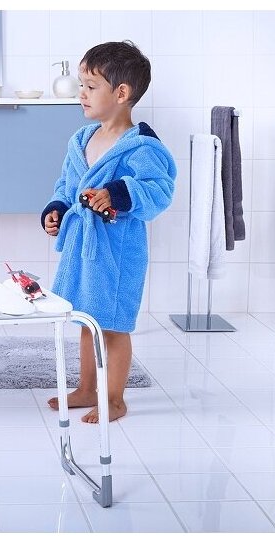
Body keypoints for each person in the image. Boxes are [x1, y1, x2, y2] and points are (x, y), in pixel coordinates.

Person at [41, 41, 176, 423]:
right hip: (83, 247)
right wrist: (56, 210)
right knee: (86, 318)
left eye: (90, 86)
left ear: (121, 93)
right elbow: (66, 186)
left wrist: (117, 193)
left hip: (117, 251)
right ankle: (87, 388)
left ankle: (114, 399)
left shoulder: (142, 146)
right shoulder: (82, 140)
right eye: (81, 85)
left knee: (113, 325)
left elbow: (159, 191)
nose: (81, 93)